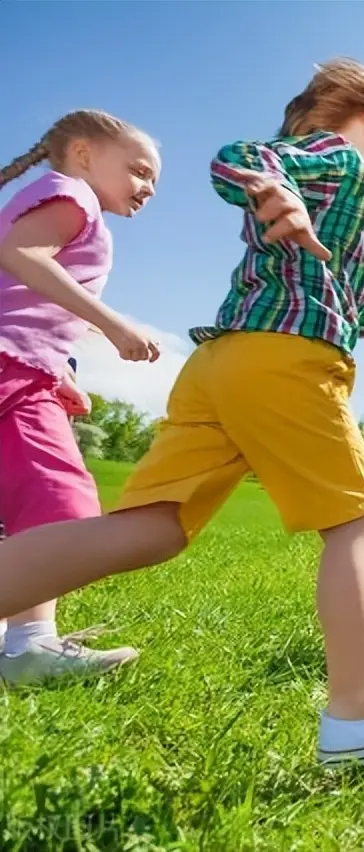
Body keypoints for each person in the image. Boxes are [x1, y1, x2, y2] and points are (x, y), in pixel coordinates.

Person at [0, 59, 364, 766]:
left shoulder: (346, 208)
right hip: (283, 362)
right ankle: (361, 710)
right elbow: (239, 159)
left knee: (152, 528)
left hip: (223, 367)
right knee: (356, 520)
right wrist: (272, 188)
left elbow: (342, 297)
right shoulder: (340, 161)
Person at [0, 111, 161, 687]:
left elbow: (23, 302)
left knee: (25, 505)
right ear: (85, 154)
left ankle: (23, 642)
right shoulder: (74, 196)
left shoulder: (60, 197)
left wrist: (62, 370)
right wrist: (114, 326)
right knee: (59, 503)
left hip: (24, 368)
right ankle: (26, 646)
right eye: (139, 170)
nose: (146, 188)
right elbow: (20, 254)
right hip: (13, 370)